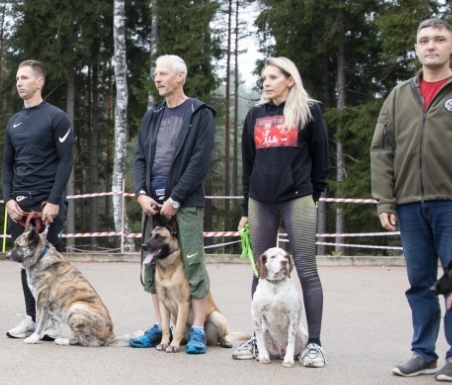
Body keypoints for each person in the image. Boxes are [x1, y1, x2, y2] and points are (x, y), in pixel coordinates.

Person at [371, 17, 452, 382]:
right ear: (416, 48)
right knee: (419, 283)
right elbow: (381, 150)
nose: (431, 45)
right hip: (410, 203)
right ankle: (422, 352)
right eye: (424, 40)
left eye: (439, 39)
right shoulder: (400, 95)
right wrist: (386, 201)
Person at [233, 56, 332, 367]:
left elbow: (321, 159)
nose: (266, 82)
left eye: (273, 77)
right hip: (260, 200)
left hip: (298, 197)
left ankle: (313, 343)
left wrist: (312, 195)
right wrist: (245, 208)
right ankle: (257, 338)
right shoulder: (255, 115)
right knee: (258, 270)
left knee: (305, 268)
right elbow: (248, 164)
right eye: (264, 77)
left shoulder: (309, 111)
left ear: (290, 79)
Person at [129, 55, 219, 354]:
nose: (157, 78)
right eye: (155, 73)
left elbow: (199, 161)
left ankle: (196, 331)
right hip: (152, 203)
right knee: (151, 264)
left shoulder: (199, 113)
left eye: (163, 73)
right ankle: (161, 327)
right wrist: (141, 193)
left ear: (180, 76)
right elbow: (140, 157)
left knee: (193, 264)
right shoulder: (153, 114)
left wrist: (176, 198)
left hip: (186, 202)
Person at [1, 59, 74, 338]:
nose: (19, 82)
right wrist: (8, 199)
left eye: (24, 78)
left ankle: (52, 322)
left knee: (48, 264)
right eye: (17, 78)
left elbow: (66, 160)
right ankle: (32, 318)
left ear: (39, 82)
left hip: (47, 205)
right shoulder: (14, 121)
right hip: (20, 205)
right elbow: (7, 164)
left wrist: (54, 200)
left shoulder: (56, 117)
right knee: (25, 262)